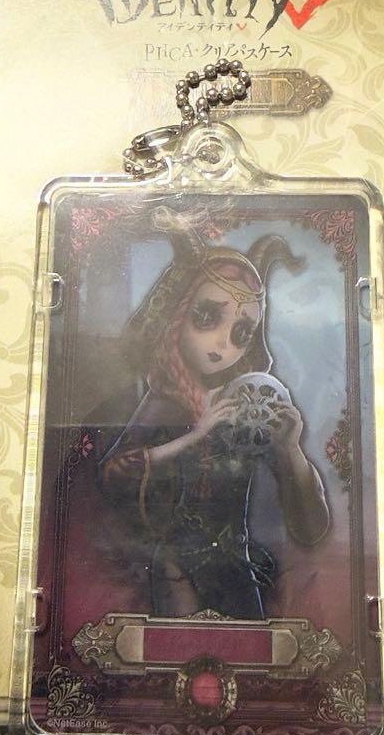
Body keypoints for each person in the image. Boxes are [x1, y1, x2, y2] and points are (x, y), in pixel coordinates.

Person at [99, 210, 329, 619]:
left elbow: (311, 528)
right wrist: (192, 438)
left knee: (248, 648)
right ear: (177, 314)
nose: (224, 344)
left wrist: (291, 450)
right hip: (176, 575)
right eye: (207, 316)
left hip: (237, 573)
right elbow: (114, 476)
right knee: (178, 646)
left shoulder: (247, 406)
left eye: (241, 333)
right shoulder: (165, 404)